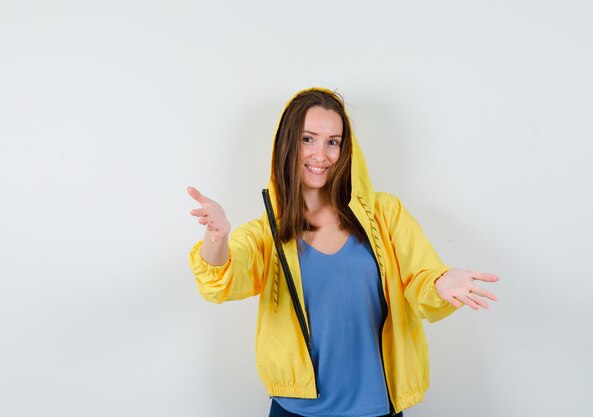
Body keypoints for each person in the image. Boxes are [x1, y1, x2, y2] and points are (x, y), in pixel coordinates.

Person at [187, 88, 499, 417]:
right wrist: (216, 237)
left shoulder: (385, 214)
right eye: (308, 139)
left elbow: (420, 276)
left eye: (332, 141)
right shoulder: (267, 233)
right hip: (296, 410)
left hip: (376, 408)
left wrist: (442, 281)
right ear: (287, 144)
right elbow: (223, 278)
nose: (320, 154)